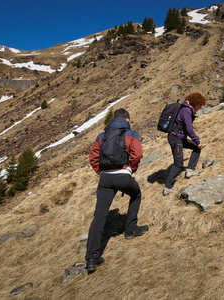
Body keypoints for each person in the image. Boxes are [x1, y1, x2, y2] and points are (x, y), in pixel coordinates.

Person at [86, 108, 148, 273]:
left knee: (99, 216)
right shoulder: (131, 133)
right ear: (127, 120)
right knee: (136, 194)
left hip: (105, 179)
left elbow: (93, 157)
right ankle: (130, 229)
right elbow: (138, 153)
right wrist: (130, 169)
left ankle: (92, 258)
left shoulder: (102, 135)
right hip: (123, 175)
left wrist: (101, 172)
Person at [163, 92, 207, 196]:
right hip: (176, 138)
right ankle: (167, 187)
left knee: (196, 148)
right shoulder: (187, 110)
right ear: (196, 103)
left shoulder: (186, 108)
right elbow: (189, 130)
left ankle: (190, 170)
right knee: (178, 164)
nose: (200, 107)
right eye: (200, 105)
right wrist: (198, 141)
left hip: (179, 138)